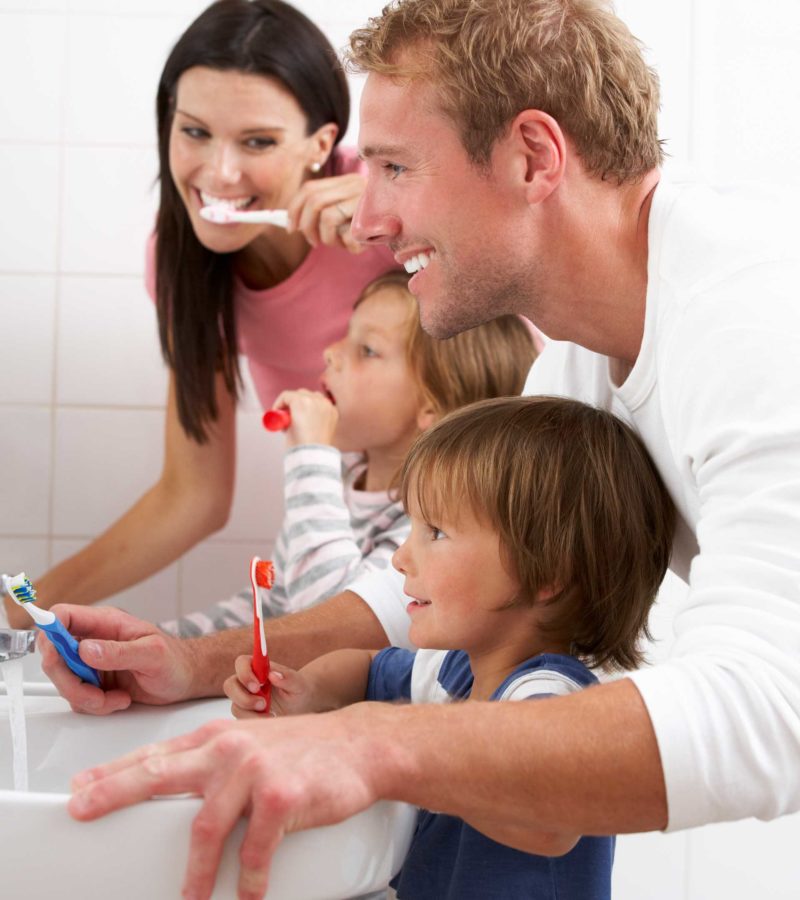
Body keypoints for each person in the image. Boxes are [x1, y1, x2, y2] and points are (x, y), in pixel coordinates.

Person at [44, 2, 800, 899]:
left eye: (396, 168)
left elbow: (772, 709)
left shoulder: (756, 324)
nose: (365, 220)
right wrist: (194, 662)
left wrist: (371, 744)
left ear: (532, 158)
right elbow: (454, 575)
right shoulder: (578, 350)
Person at [2, 0, 396, 630]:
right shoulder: (179, 261)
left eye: (258, 141)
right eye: (194, 131)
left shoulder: (386, 202)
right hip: (350, 537)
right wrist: (21, 612)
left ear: (321, 144)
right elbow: (193, 496)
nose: (218, 172)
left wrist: (412, 208)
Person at [225, 395, 675, 899]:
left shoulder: (550, 697)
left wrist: (384, 762)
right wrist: (306, 691)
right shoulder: (455, 672)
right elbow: (368, 670)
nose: (400, 558)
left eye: (435, 532)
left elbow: (547, 821)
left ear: (544, 570)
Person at [159, 270, 536, 638]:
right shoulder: (341, 479)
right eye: (346, 336)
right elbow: (272, 605)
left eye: (367, 350)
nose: (331, 353)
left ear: (430, 407)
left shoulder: (432, 520)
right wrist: (164, 642)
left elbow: (326, 622)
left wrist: (310, 456)